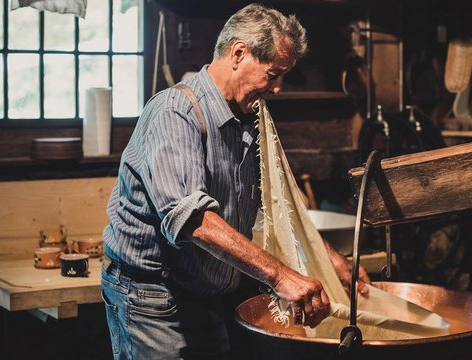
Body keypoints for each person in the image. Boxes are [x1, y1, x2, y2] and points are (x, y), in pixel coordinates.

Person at [101, 4, 370, 359]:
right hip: (152, 298)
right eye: (273, 75)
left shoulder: (247, 118)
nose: (277, 89)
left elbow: (265, 210)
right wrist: (280, 276)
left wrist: (327, 257)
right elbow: (191, 220)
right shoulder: (176, 112)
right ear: (239, 53)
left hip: (206, 295)